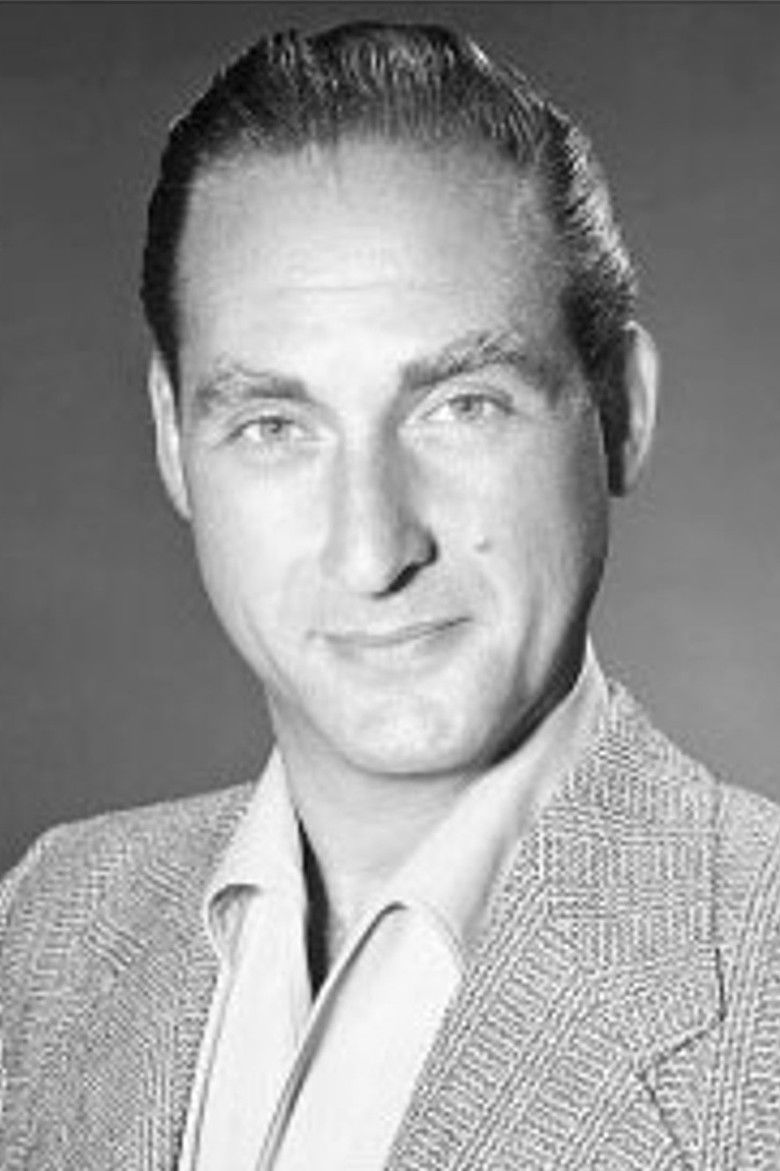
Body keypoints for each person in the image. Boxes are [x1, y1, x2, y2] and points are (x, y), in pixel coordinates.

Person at [1, 18, 779, 1170]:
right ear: (172, 440)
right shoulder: (46, 926)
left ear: (620, 409)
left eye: (462, 406)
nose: (373, 550)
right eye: (275, 424)